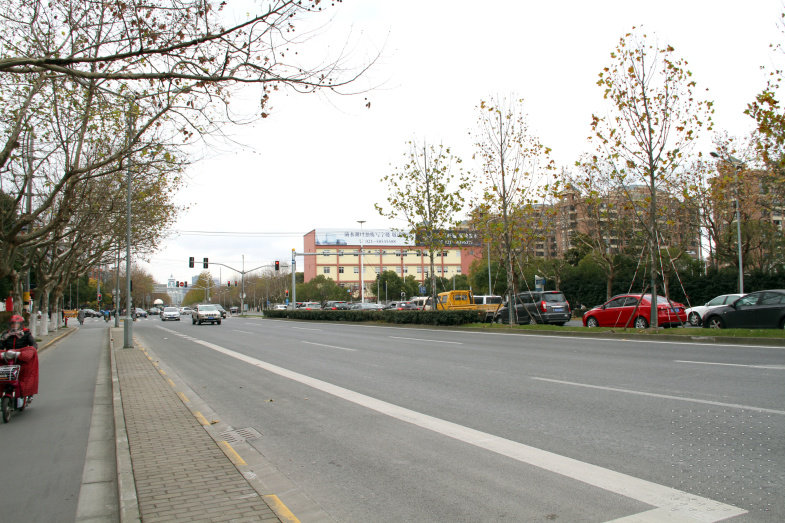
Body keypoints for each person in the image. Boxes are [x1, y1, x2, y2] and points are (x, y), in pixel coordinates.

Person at [1, 314, 39, 406]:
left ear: (21, 325)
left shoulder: (26, 334)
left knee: (27, 375)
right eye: (13, 324)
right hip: (8, 358)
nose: (14, 326)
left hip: (21, 358)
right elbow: (0, 346)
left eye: (17, 324)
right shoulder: (5, 334)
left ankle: (28, 393)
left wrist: (28, 351)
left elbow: (33, 345)